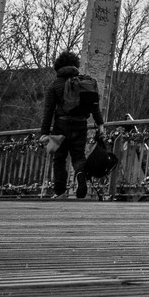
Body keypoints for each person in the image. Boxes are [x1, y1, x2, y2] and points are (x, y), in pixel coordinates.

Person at [40, 49, 104, 199]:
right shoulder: (83, 83)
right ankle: (80, 176)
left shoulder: (55, 85)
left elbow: (48, 111)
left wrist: (44, 132)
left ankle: (59, 191)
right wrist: (100, 124)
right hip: (80, 125)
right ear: (75, 65)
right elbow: (94, 106)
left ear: (58, 66)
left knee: (59, 158)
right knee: (78, 156)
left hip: (60, 126)